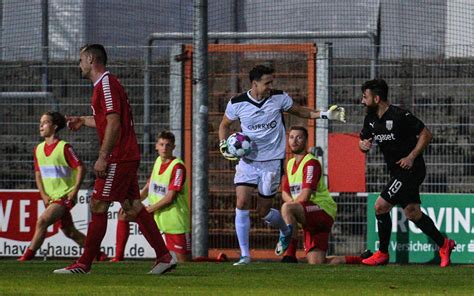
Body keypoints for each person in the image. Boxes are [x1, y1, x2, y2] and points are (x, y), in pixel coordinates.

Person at [53, 44, 175, 274]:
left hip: (118, 157)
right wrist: (82, 120)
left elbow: (115, 123)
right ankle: (164, 256)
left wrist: (103, 156)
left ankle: (84, 264)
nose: (78, 64)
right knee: (132, 205)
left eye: (80, 60)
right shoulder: (103, 86)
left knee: (98, 204)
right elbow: (105, 119)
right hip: (125, 155)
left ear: (90, 59)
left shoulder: (106, 84)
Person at [218, 64, 346, 265]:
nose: (270, 86)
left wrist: (325, 114)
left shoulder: (279, 98)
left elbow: (301, 111)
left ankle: (285, 230)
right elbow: (224, 125)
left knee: (264, 212)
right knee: (241, 202)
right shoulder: (237, 103)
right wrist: (223, 144)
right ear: (255, 83)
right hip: (248, 161)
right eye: (267, 82)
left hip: (271, 163)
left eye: (272, 82)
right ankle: (245, 255)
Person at [359, 78, 455, 267]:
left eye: (365, 97)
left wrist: (411, 157)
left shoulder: (400, 115)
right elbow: (363, 141)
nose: (362, 101)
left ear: (377, 98)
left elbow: (426, 134)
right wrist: (363, 146)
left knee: (380, 206)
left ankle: (383, 253)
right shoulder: (370, 119)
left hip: (412, 169)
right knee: (412, 212)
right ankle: (444, 244)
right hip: (396, 172)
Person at [18, 111, 107, 262]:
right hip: (51, 197)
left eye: (45, 122)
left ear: (55, 126)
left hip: (64, 196)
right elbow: (38, 174)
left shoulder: (64, 147)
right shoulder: (38, 149)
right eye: (41, 122)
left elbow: (81, 168)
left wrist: (74, 191)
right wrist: (43, 195)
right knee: (70, 232)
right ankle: (99, 254)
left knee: (42, 221)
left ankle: (27, 257)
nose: (41, 125)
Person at [275, 126, 370, 264]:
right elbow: (284, 192)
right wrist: (292, 205)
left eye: (299, 137)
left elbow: (306, 195)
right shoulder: (290, 164)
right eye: (291, 137)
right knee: (317, 263)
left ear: (306, 140)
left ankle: (289, 256)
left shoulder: (311, 163)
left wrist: (291, 207)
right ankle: (362, 260)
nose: (294, 141)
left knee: (287, 208)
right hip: (307, 214)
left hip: (321, 210)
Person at [110, 130, 191, 263]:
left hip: (174, 220)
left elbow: (169, 198)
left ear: (173, 147)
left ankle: (215, 260)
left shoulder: (178, 167)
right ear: (156, 146)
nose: (164, 148)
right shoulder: (158, 161)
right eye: (162, 144)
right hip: (157, 214)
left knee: (183, 262)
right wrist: (133, 203)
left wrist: (147, 210)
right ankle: (118, 258)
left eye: (168, 145)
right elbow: (148, 188)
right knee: (123, 213)